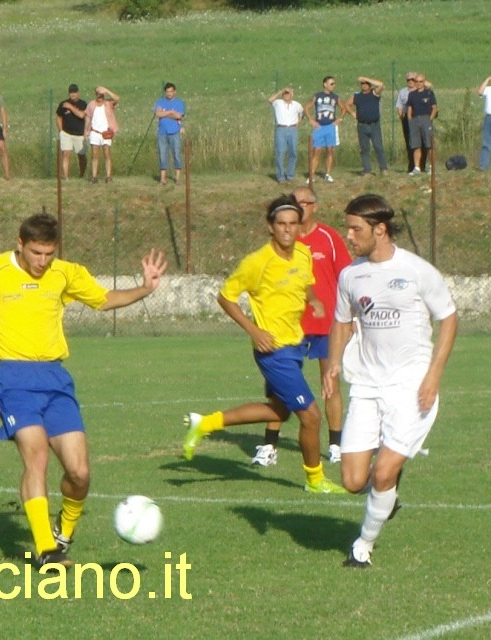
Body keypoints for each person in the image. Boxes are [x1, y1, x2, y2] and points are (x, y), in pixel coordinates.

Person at [0, 213, 167, 568]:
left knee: (79, 473)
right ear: (20, 243)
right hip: (13, 379)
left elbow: (104, 299)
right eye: (36, 253)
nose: (42, 262)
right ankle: (48, 549)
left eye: (48, 254)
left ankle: (64, 531)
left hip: (56, 379)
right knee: (37, 456)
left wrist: (144, 288)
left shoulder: (65, 273)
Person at [322, 194, 458, 568]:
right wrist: (333, 363)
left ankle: (362, 545)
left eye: (356, 229)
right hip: (366, 385)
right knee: (352, 481)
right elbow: (342, 320)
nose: (349, 236)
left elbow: (449, 318)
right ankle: (388, 495)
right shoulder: (351, 275)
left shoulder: (416, 270)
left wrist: (433, 374)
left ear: (379, 230)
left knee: (382, 472)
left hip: (411, 386)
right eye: (348, 228)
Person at [182, 195, 346, 494]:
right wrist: (253, 330)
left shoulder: (303, 254)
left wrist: (314, 299)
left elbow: (306, 281)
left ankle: (205, 423)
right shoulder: (257, 262)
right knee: (310, 416)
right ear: (270, 226)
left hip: (295, 346)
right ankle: (315, 479)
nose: (287, 230)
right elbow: (225, 296)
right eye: (281, 224)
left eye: (293, 224)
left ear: (299, 226)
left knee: (278, 412)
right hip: (273, 352)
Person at [251, 186, 352, 467]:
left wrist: (350, 317)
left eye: (305, 202)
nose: (300, 206)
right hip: (288, 326)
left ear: (315, 206)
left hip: (324, 323)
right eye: (296, 203)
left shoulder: (329, 238)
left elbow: (347, 277)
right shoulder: (283, 242)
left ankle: (335, 445)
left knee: (330, 382)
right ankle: (269, 446)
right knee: (278, 388)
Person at [304, 76, 349, 183]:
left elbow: (344, 108)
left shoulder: (335, 97)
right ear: (325, 84)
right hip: (319, 126)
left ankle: (327, 174)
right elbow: (306, 107)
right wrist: (311, 120)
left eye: (334, 84)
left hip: (330, 126)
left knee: (330, 150)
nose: (334, 86)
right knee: (317, 150)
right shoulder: (317, 96)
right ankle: (312, 175)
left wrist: (340, 119)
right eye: (331, 83)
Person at [346, 76, 388, 175]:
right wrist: (352, 113)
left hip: (374, 125)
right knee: (364, 149)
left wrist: (365, 78)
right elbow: (346, 104)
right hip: (362, 125)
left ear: (369, 85)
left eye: (366, 83)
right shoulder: (357, 96)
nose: (364, 85)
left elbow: (380, 84)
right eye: (362, 83)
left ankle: (383, 168)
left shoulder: (374, 93)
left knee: (378, 147)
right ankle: (367, 170)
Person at [267, 87, 305, 183]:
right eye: (285, 93)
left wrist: (298, 122)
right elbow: (270, 100)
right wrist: (281, 91)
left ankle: (290, 175)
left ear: (292, 94)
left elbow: (302, 113)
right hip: (281, 129)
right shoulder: (278, 103)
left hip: (292, 129)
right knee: (280, 153)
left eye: (288, 93)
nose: (286, 95)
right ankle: (280, 176)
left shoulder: (297, 105)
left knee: (293, 152)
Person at [84, 85, 120, 184]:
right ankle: (94, 176)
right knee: (94, 154)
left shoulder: (108, 103)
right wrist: (86, 131)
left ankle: (108, 176)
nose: (100, 96)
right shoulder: (91, 104)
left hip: (106, 132)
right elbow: (88, 117)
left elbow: (117, 98)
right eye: (98, 94)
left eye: (101, 95)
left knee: (107, 153)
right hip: (95, 132)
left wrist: (107, 90)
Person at [154, 82, 185, 185]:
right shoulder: (160, 102)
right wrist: (170, 112)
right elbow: (158, 114)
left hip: (174, 132)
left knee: (176, 154)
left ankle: (177, 178)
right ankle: (163, 178)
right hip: (162, 132)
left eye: (171, 91)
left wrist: (165, 113)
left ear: (174, 92)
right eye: (167, 92)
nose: (169, 93)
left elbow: (179, 116)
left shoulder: (179, 103)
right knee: (162, 155)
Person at [406, 74, 438, 176]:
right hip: (415, 120)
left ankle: (431, 167)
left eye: (421, 81)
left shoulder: (429, 93)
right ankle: (417, 167)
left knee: (429, 144)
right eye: (417, 81)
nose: (418, 83)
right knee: (416, 145)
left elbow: (434, 107)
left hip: (426, 119)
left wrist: (430, 119)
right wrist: (410, 119)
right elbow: (409, 108)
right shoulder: (411, 94)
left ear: (424, 82)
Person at [395, 72, 427, 174]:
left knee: (422, 142)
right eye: (409, 80)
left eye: (413, 80)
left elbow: (429, 85)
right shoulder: (403, 92)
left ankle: (421, 165)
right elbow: (399, 105)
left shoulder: (422, 90)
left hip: (419, 117)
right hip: (407, 119)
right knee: (410, 143)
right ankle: (412, 166)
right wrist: (400, 114)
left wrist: (419, 78)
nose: (411, 82)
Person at [56, 84, 87, 179]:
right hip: (67, 133)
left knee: (81, 156)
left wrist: (70, 107)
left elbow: (82, 115)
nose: (73, 94)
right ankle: (66, 177)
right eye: (71, 92)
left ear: (78, 93)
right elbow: (58, 117)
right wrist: (61, 130)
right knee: (66, 153)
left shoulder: (83, 104)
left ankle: (81, 175)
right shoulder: (63, 104)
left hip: (79, 134)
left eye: (74, 92)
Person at [476, 74, 491, 171]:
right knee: (486, 142)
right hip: (489, 117)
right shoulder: (488, 89)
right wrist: (487, 79)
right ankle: (483, 165)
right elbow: (480, 92)